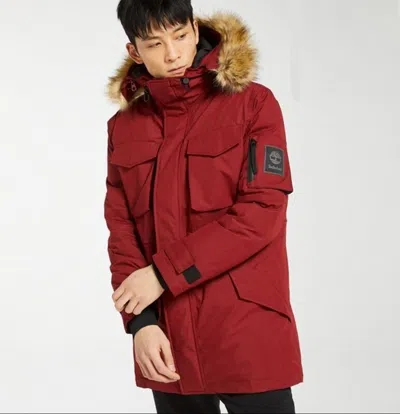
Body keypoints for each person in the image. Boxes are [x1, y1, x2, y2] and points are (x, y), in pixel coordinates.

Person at [104, 0, 303, 412]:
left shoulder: (253, 104)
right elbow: (121, 229)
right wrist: (141, 323)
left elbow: (261, 213)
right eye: (154, 44)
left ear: (196, 29)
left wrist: (161, 274)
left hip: (246, 328)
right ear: (134, 52)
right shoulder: (124, 127)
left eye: (180, 36)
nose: (172, 54)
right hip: (167, 339)